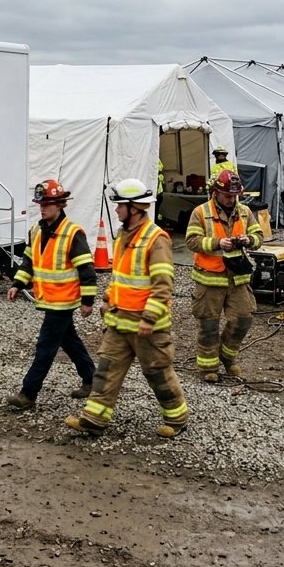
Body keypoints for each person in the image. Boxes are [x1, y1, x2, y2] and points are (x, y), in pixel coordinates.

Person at [65, 178, 188, 439]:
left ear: (134, 208)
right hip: (120, 322)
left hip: (147, 326)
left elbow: (163, 283)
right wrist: (108, 298)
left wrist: (150, 316)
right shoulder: (122, 235)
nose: (117, 210)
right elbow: (121, 275)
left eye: (120, 206)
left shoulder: (156, 239)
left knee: (157, 373)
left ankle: (177, 419)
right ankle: (94, 419)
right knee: (106, 369)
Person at [5, 180, 97, 410]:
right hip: (48, 299)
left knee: (45, 347)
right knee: (69, 340)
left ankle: (28, 393)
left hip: (63, 302)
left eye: (47, 204)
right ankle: (91, 378)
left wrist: (88, 301)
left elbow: (87, 270)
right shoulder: (36, 230)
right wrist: (18, 283)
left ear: (60, 205)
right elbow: (29, 260)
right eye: (40, 203)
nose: (42, 208)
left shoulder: (72, 233)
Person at [186, 170, 264, 381]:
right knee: (209, 325)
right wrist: (217, 243)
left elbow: (259, 236)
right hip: (210, 278)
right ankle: (208, 368)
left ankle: (228, 356)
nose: (232, 200)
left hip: (238, 278)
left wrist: (248, 240)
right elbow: (192, 241)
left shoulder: (245, 211)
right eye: (228, 196)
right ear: (216, 193)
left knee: (243, 319)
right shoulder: (200, 212)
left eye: (235, 195)